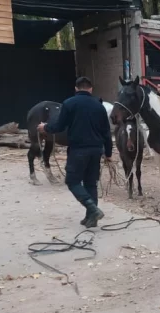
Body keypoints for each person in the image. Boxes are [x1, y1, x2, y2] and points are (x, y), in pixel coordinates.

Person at [37, 77, 113, 228]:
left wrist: (45, 128)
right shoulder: (99, 106)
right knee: (91, 183)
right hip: (96, 150)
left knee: (72, 181)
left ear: (76, 89)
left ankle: (92, 209)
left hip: (79, 150)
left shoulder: (69, 103)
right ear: (91, 89)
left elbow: (59, 126)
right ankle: (91, 219)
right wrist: (108, 153)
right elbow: (106, 133)